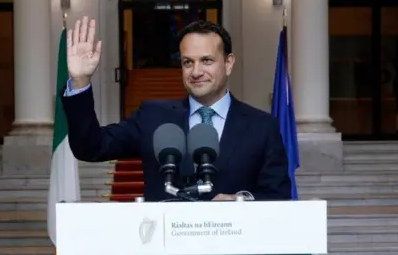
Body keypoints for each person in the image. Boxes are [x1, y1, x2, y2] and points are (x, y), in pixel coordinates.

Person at [61, 16, 291, 202]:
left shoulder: (262, 126)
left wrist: (242, 200)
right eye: (187, 62)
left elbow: (280, 197)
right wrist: (80, 82)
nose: (196, 71)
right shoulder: (153, 117)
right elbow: (90, 147)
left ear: (228, 63)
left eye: (207, 60)